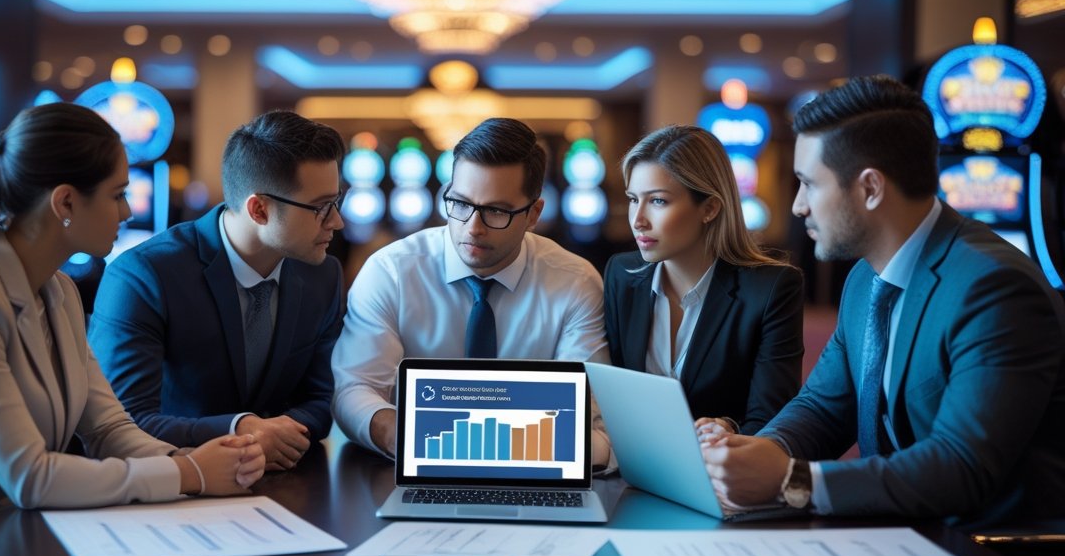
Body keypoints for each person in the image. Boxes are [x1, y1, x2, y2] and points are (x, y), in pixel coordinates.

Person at [0, 103, 264, 510]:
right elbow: (30, 478)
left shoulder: (59, 290)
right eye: (118, 194)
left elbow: (107, 428)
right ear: (65, 203)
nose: (128, 211)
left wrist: (186, 461)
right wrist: (190, 474)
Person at [702, 75, 1065, 526]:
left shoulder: (995, 289)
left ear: (871, 188)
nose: (798, 207)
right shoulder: (864, 278)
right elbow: (822, 407)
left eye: (809, 184)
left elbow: (960, 469)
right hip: (907, 537)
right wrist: (755, 453)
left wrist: (792, 481)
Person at [332, 117, 612, 464]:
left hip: (535, 474)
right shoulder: (390, 272)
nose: (473, 228)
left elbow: (590, 419)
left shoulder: (575, 282)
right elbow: (354, 390)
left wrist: (479, 447)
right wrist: (404, 436)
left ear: (534, 214)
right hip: (414, 461)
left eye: (496, 211)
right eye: (461, 203)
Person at [90, 110, 346, 471]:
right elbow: (121, 421)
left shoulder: (322, 274)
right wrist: (240, 429)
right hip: (170, 487)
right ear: (258, 209)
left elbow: (322, 399)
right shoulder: (144, 274)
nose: (338, 221)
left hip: (287, 484)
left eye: (337, 202)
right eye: (321, 208)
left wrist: (277, 435)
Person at [604, 125, 803, 436]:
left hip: (719, 474)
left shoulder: (771, 288)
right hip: (632, 468)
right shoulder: (621, 274)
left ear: (709, 208)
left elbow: (773, 419)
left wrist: (730, 428)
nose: (638, 220)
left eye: (657, 201)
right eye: (633, 199)